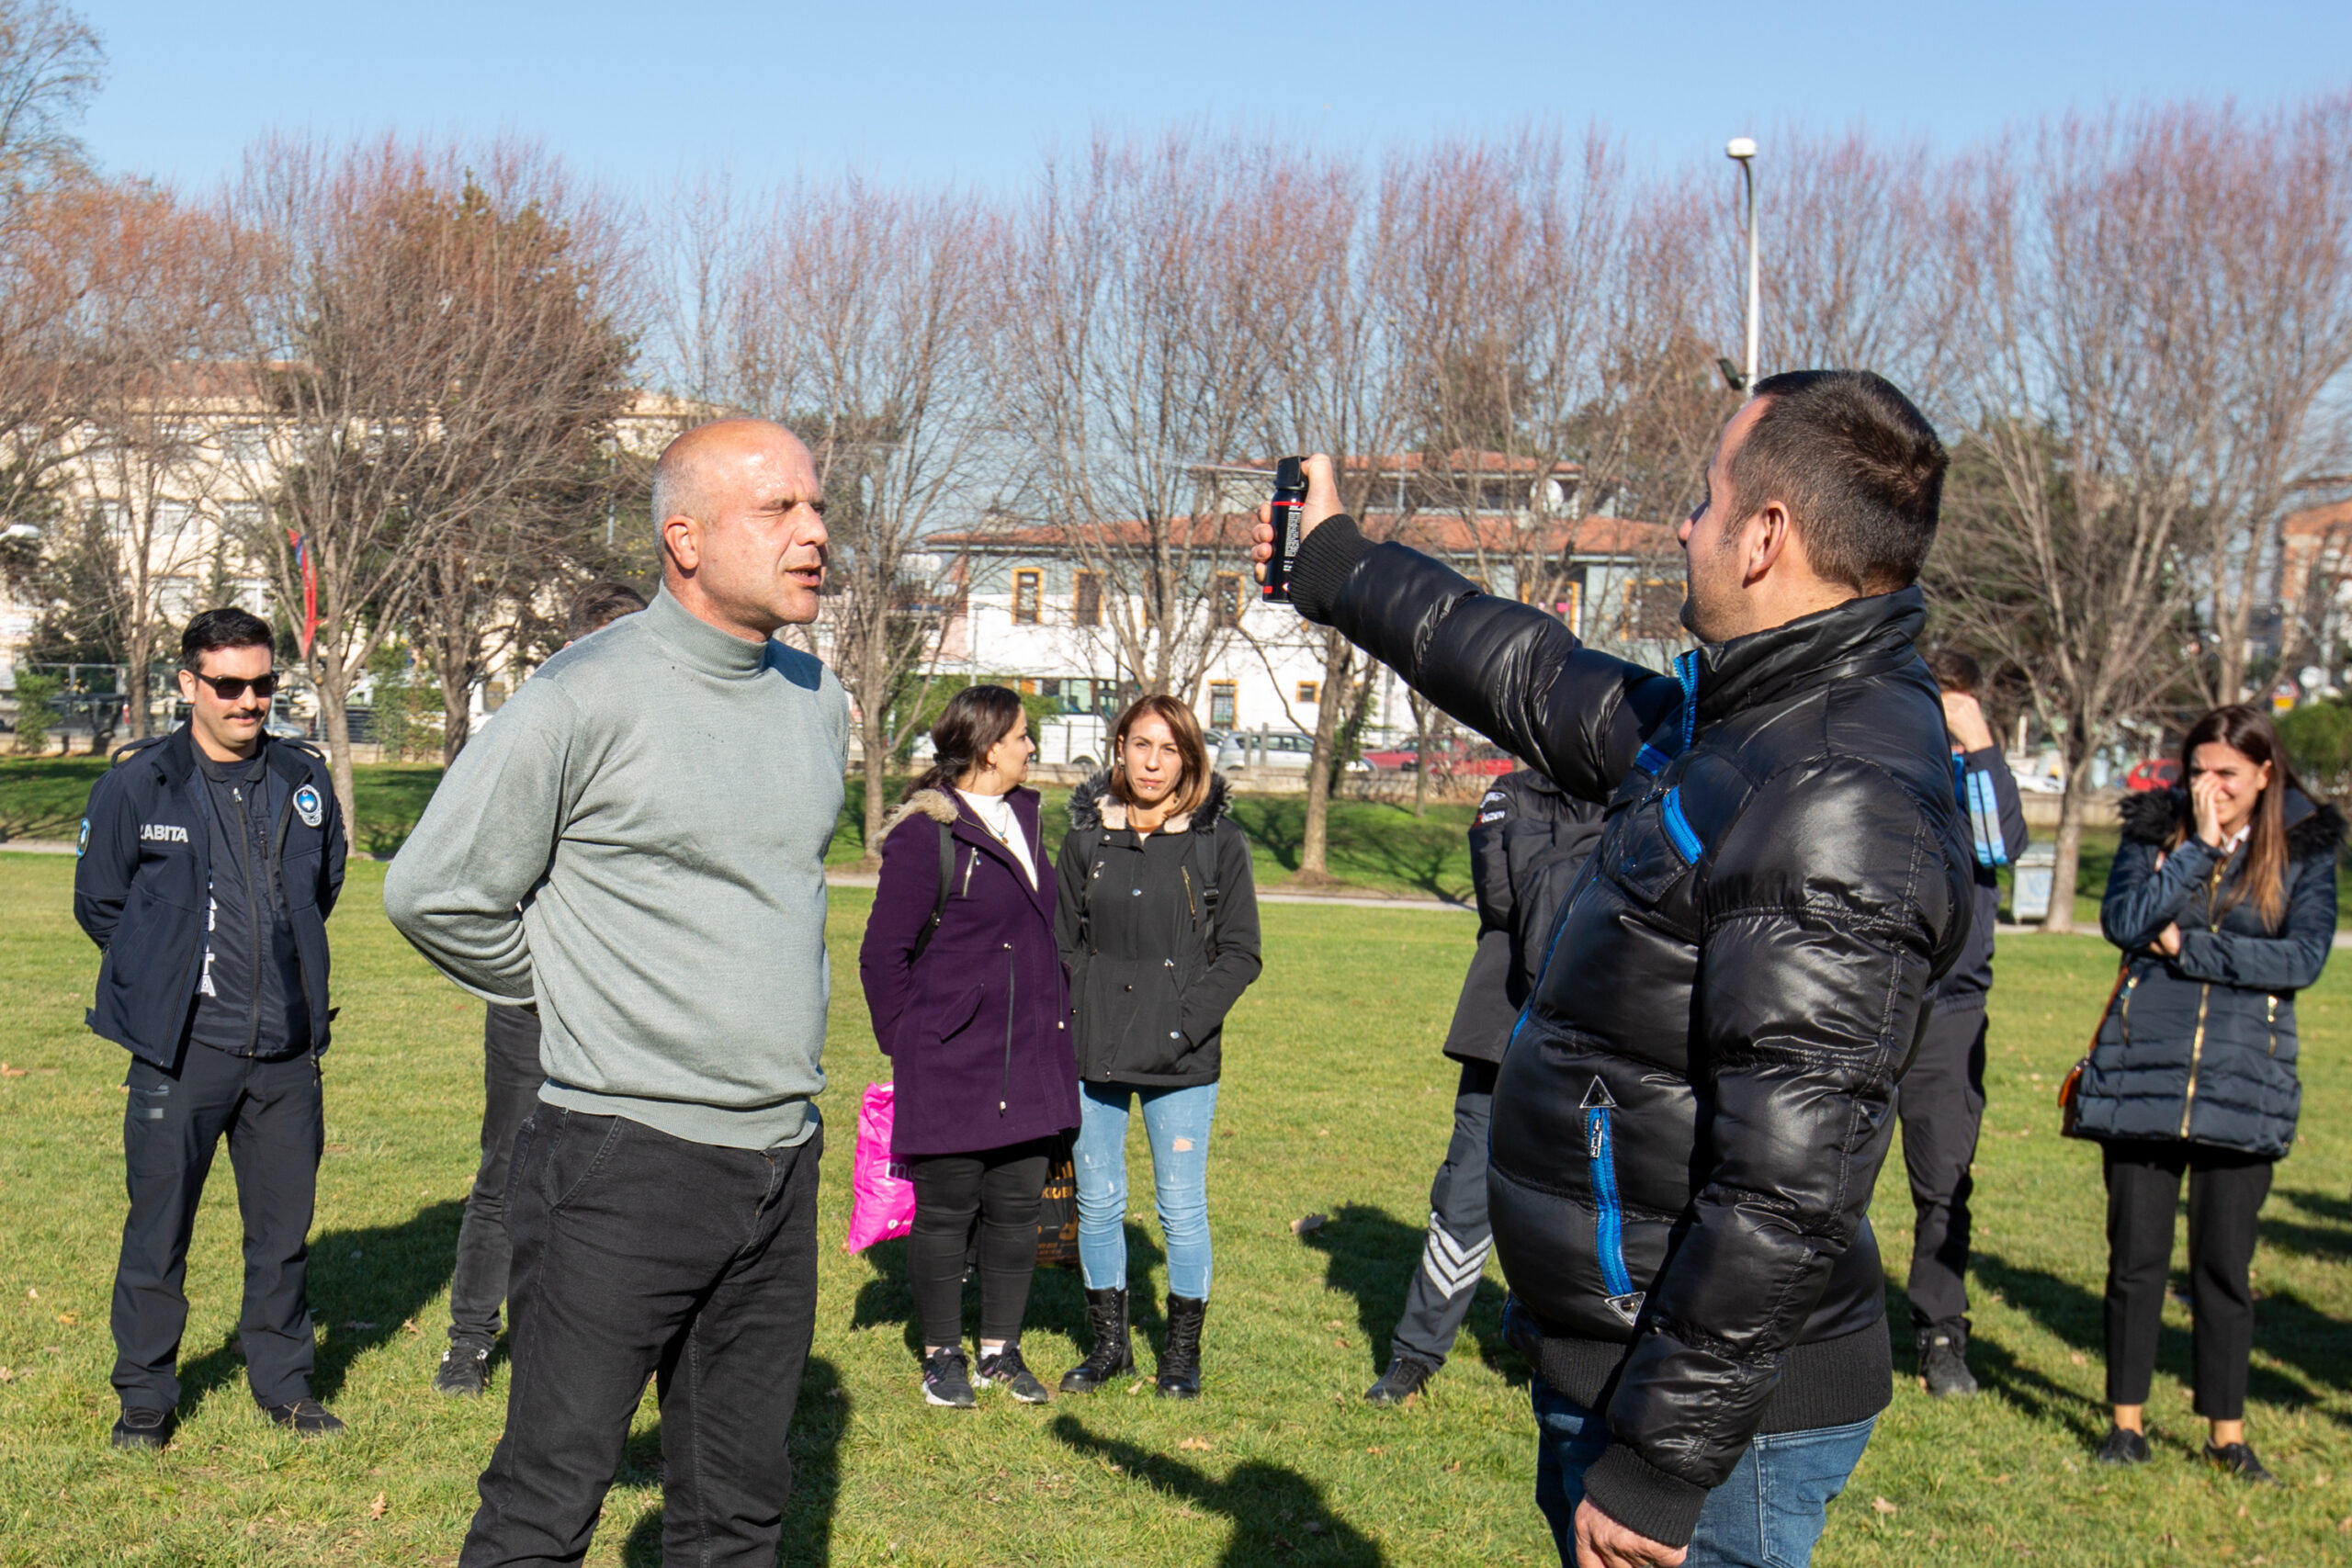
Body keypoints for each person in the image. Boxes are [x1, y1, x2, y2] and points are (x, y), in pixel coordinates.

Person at [1252, 369, 1973, 1568]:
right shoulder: (1743, 724)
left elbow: (1789, 1190)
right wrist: (1338, 561)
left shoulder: (1836, 792)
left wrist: (1657, 1467)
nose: (1683, 527)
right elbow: (1533, 676)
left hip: (1709, 1425)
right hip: (1629, 1366)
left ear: (1767, 536)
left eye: (1704, 500)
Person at [384, 418, 845, 1568]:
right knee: (546, 1507)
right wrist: (578, 996)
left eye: (817, 506)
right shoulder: (579, 697)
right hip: (619, 1163)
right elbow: (436, 891)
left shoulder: (816, 699)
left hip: (782, 1161)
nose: (815, 534)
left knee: (738, 1515)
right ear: (682, 539)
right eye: (777, 510)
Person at [74, 606, 349, 1449]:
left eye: (263, 682)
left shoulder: (302, 780)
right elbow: (101, 902)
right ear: (189, 684)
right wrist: (169, 975)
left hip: (286, 1053)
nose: (248, 699)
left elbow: (324, 885)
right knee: (158, 1232)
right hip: (181, 1051)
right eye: (228, 684)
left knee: (283, 1236)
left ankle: (285, 1383)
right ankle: (147, 1395)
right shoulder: (139, 782)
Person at [2076, 704, 2340, 1484]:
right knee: (2136, 1260)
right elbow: (2125, 919)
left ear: (2266, 773)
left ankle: (2227, 1430)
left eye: (2227, 773)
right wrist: (2195, 851)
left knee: (2224, 1267)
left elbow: (2302, 958)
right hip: (2141, 1072)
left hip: (2241, 1081)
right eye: (2197, 770)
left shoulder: (2305, 848)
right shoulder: (2156, 831)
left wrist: (2191, 946)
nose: (2209, 786)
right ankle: (2126, 1422)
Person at [434, 580, 649, 1398]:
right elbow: (460, 883)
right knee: (510, 1168)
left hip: (633, 1007)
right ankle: (469, 1340)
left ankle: (613, 1344)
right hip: (535, 1004)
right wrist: (532, 979)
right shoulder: (535, 733)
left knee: (633, 1175)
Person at [856, 685, 1080, 1407]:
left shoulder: (1029, 819)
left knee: (1017, 1207)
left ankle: (1000, 1352)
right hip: (950, 1059)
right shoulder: (928, 834)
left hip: (1029, 1053)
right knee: (947, 1209)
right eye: (1021, 736)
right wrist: (913, 1047)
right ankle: (942, 1355)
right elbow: (882, 953)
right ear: (989, 745)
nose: (1030, 748)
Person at [1366, 767, 1602, 1405]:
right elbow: (1504, 900)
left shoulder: (1641, 788)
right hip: (1501, 1026)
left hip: (1601, 1028)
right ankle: (1415, 1354)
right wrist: (1590, 852)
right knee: (1465, 1195)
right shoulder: (1509, 789)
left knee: (1584, 1203)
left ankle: (1566, 1352)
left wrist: (1546, 851)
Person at [1053, 695, 1262, 1400]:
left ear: (1190, 758)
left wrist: (1183, 1024)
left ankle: (1181, 1355)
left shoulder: (1217, 843)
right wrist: (1081, 1012)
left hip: (1182, 1058)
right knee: (1099, 1200)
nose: (1152, 761)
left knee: (1181, 1206)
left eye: (1169, 748)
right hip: (1096, 1049)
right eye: (1141, 744)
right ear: (1119, 748)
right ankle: (1108, 1346)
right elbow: (1064, 944)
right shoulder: (1086, 837)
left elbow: (1241, 952)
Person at [1899, 648, 2029, 1398]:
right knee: (1823, 1170)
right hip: (1869, 997)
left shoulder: (1974, 771)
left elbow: (1998, 845)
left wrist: (1974, 740)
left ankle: (1941, 1335)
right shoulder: (1886, 756)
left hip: (1950, 1011)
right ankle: (1805, 1324)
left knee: (1944, 1182)